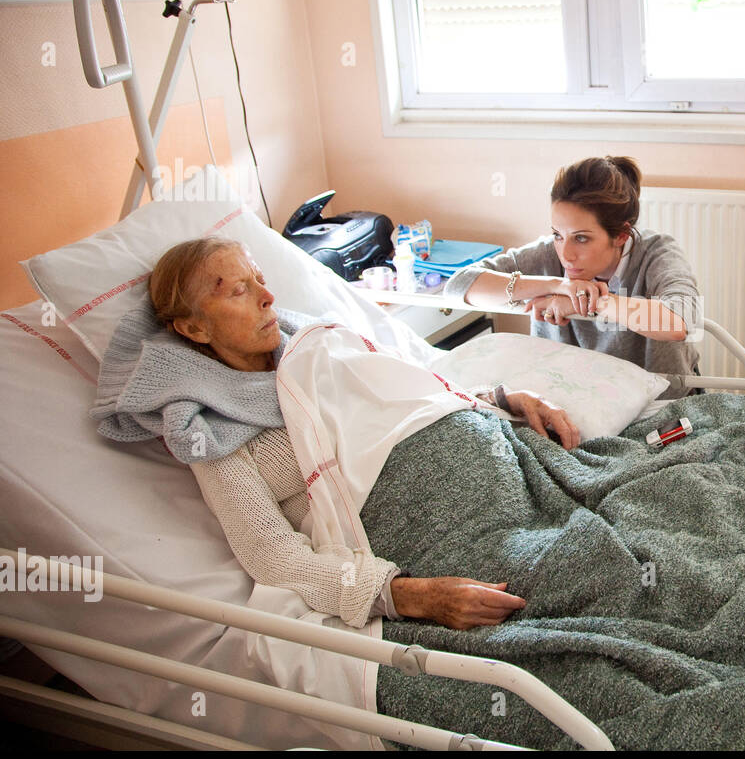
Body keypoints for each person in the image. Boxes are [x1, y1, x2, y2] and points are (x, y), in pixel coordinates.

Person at [92, 236, 582, 630]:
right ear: (195, 330)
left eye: (259, 279)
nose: (268, 296)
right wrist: (410, 596)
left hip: (509, 470)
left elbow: (402, 390)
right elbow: (273, 557)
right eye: (238, 291)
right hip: (444, 532)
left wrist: (500, 399)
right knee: (590, 582)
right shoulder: (212, 431)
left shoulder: (312, 349)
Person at [443, 156, 703, 398]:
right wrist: (559, 286)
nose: (565, 254)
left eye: (581, 238)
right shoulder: (548, 256)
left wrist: (589, 301)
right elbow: (458, 286)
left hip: (658, 406)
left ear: (622, 235)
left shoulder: (656, 253)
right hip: (575, 404)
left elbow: (679, 322)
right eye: (557, 234)